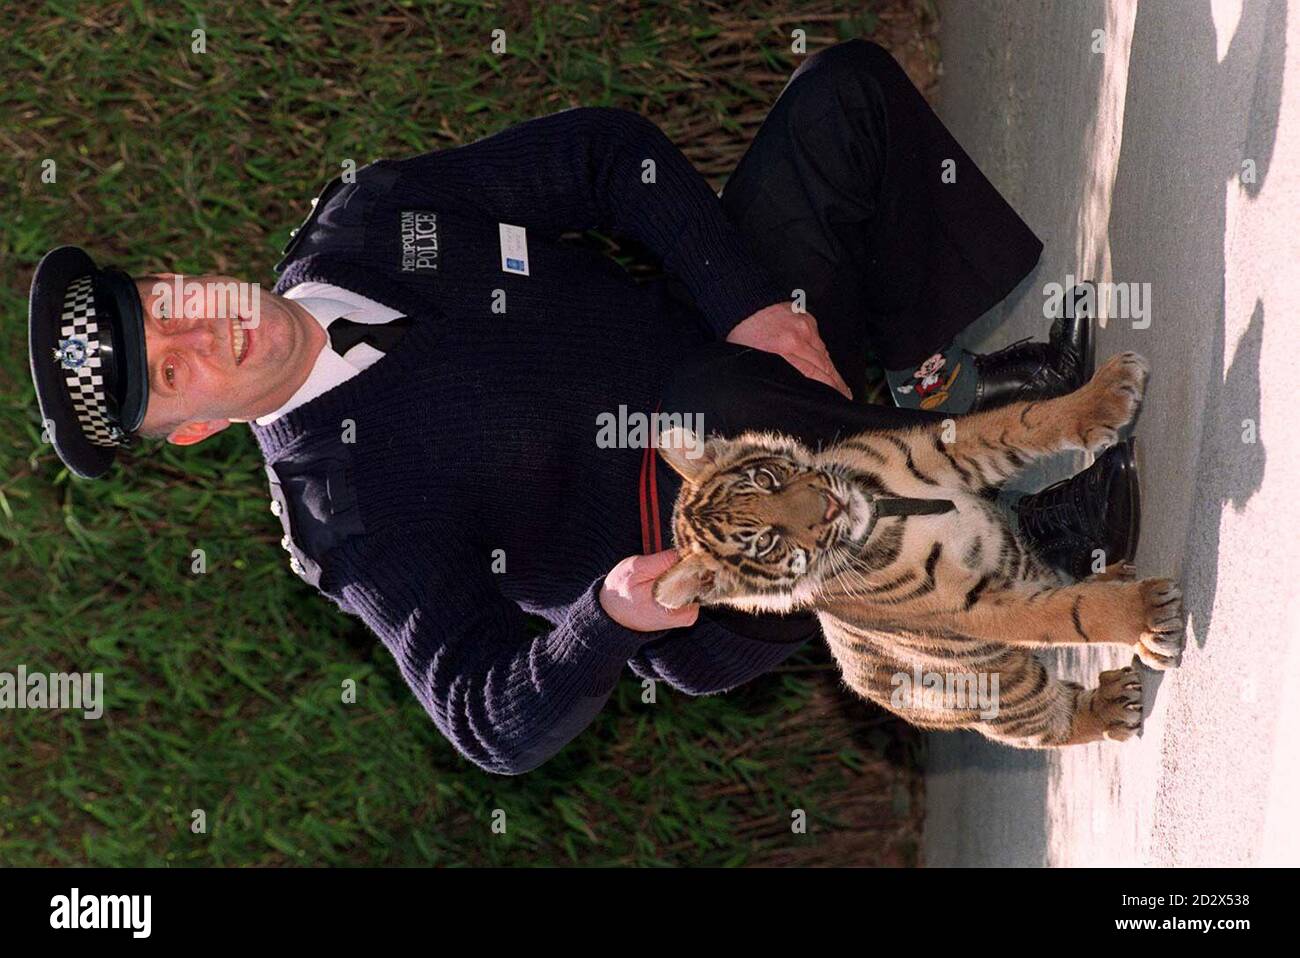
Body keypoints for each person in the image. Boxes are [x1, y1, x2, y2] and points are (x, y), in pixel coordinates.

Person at [27, 40, 1134, 775]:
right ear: (196, 429)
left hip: (737, 358)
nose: (196, 332)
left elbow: (604, 155)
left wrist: (746, 301)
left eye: (166, 303)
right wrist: (605, 618)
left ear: (181, 273)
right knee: (714, 411)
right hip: (722, 551)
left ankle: (930, 392)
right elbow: (478, 719)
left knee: (840, 101)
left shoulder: (366, 222)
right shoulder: (345, 515)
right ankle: (1030, 546)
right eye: (174, 374)